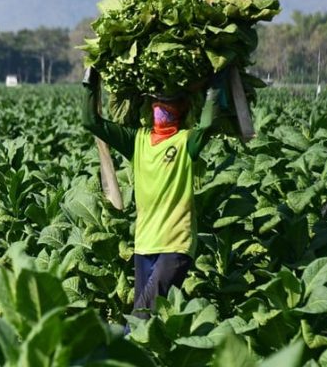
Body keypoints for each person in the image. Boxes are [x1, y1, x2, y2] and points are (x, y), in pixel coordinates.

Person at [82, 67, 225, 322]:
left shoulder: (185, 142)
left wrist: (216, 80)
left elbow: (208, 122)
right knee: (151, 322)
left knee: (141, 317)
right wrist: (90, 81)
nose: (162, 108)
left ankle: (118, 356)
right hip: (144, 244)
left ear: (182, 110)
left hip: (175, 244)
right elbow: (91, 122)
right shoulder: (137, 141)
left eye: (169, 104)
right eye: (158, 102)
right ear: (150, 106)